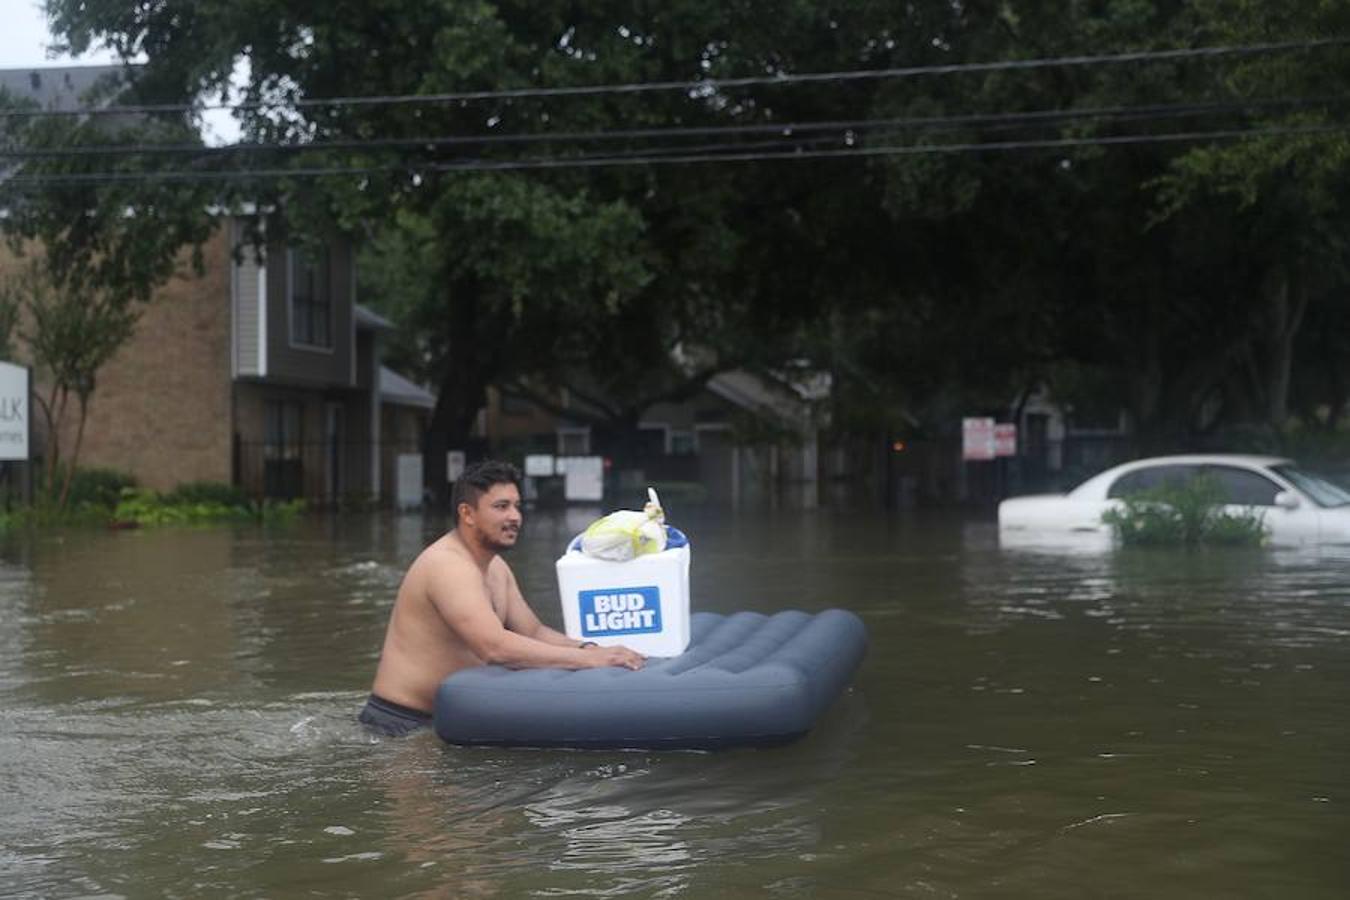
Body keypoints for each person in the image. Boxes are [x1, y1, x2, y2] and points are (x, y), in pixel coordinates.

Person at [359, 459, 644, 736]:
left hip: (449, 721)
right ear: (467, 514)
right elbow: (494, 647)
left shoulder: (495, 566)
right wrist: (589, 661)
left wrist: (589, 648)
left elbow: (533, 630)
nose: (514, 517)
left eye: (517, 506)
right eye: (501, 507)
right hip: (398, 725)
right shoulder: (447, 566)